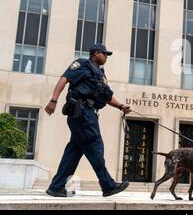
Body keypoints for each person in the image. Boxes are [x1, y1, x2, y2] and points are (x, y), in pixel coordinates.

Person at [44, 43, 132, 197]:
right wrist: (54, 100)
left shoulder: (100, 74)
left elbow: (107, 96)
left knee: (74, 151)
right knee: (95, 145)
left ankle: (56, 186)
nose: (106, 57)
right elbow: (65, 78)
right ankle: (108, 185)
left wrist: (121, 106)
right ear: (96, 53)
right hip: (81, 112)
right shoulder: (82, 64)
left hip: (88, 113)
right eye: (105, 54)